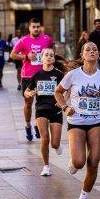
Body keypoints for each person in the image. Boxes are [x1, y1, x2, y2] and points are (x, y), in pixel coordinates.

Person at [54, 41, 100, 199]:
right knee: (80, 162)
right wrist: (65, 107)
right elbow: (58, 92)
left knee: (93, 163)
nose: (92, 51)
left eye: (95, 49)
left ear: (98, 54)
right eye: (88, 49)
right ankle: (74, 161)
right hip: (76, 122)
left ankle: (84, 198)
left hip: (96, 122)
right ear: (82, 55)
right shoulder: (73, 75)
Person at [10, 18, 53, 141]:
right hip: (28, 77)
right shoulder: (23, 41)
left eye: (38, 26)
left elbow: (52, 50)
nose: (36, 29)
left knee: (42, 104)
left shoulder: (46, 39)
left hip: (43, 76)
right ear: (29, 28)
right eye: (33, 27)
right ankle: (28, 125)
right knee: (28, 104)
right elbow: (12, 54)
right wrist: (26, 56)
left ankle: (37, 125)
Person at [24, 48, 65, 176]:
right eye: (46, 55)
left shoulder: (59, 75)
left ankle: (57, 146)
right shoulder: (37, 75)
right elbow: (26, 91)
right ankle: (46, 166)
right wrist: (30, 93)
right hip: (41, 109)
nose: (48, 57)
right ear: (41, 58)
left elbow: (67, 89)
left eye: (51, 55)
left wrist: (64, 101)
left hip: (56, 110)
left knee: (54, 143)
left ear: (54, 59)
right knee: (44, 138)